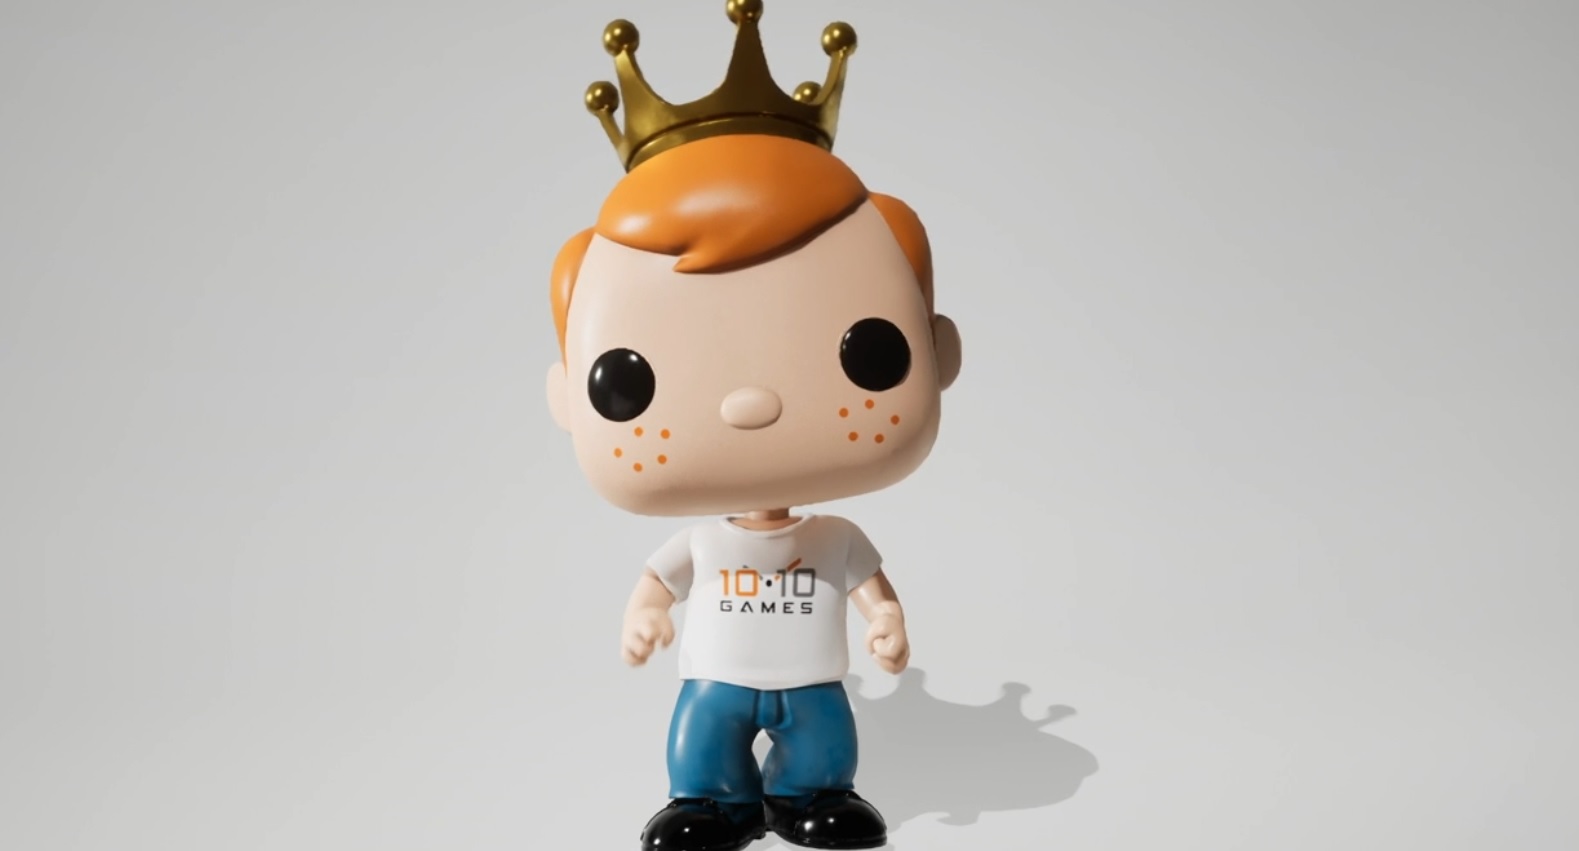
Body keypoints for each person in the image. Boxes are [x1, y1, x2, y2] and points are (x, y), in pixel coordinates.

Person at [545, 4, 961, 848]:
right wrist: (643, 616)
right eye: (626, 381)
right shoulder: (701, 544)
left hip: (811, 679)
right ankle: (709, 800)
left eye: (871, 353)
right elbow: (657, 583)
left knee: (824, 741)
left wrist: (885, 619)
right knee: (700, 738)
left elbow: (872, 588)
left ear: (937, 348)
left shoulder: (837, 537)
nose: (748, 405)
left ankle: (812, 792)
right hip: (716, 678)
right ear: (565, 397)